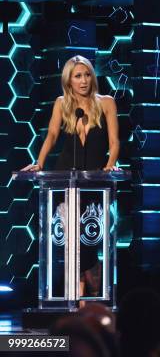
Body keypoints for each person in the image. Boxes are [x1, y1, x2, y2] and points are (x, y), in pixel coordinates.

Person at [22, 55, 120, 298]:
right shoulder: (62, 104)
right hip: (65, 179)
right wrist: (39, 163)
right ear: (69, 81)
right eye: (78, 76)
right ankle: (78, 294)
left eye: (87, 75)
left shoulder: (106, 103)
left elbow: (115, 142)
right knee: (70, 240)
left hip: (95, 181)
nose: (84, 80)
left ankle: (90, 290)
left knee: (89, 237)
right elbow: (52, 135)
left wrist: (110, 164)